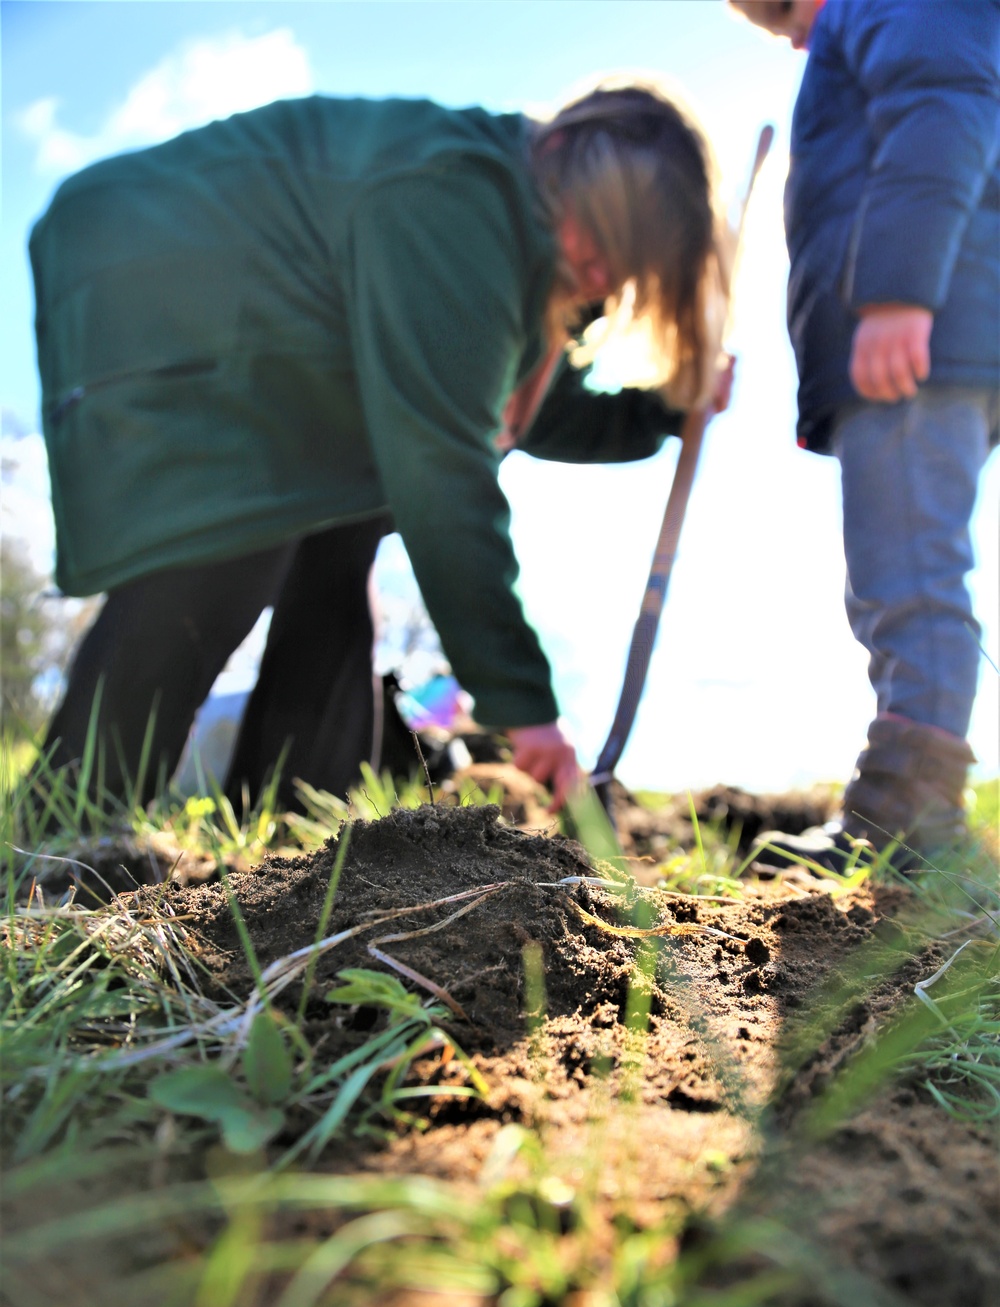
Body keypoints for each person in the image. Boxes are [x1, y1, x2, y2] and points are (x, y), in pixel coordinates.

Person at [29, 82, 730, 818]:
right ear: (557, 155)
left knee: (345, 533)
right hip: (156, 274)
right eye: (603, 237)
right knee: (221, 541)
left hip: (271, 345)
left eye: (627, 263)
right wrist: (524, 705)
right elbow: (443, 472)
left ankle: (297, 830)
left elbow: (528, 410)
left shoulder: (533, 248)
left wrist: (665, 412)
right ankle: (65, 837)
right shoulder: (459, 200)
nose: (600, 276)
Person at [729, 0, 999, 869]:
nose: (799, 41)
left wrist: (896, 292)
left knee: (908, 574)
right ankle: (904, 810)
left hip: (925, 341)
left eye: (783, 13)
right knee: (901, 569)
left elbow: (942, 111)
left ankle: (908, 822)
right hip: (941, 340)